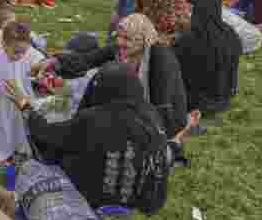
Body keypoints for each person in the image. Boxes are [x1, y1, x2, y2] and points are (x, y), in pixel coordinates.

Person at [10, 63, 199, 213]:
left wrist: (25, 107)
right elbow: (160, 151)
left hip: (98, 196)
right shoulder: (150, 115)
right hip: (142, 195)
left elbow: (46, 133)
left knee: (61, 147)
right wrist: (179, 139)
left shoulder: (93, 119)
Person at [50, 13, 191, 138]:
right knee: (100, 78)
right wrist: (55, 62)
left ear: (143, 40)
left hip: (166, 119)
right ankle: (78, 127)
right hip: (135, 112)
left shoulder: (160, 58)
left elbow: (162, 107)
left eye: (127, 39)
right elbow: (86, 60)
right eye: (119, 37)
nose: (120, 42)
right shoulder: (120, 50)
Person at [0, 22, 47, 166]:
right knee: (1, 128)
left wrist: (40, 73)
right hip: (1, 103)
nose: (20, 55)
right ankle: (2, 153)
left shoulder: (27, 58)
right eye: (16, 52)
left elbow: (40, 64)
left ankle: (21, 149)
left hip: (20, 101)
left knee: (20, 127)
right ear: (4, 45)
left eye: (23, 52)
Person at [174, 0, 242, 114]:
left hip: (196, 102)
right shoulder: (230, 33)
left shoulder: (189, 39)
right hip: (225, 98)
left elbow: (177, 69)